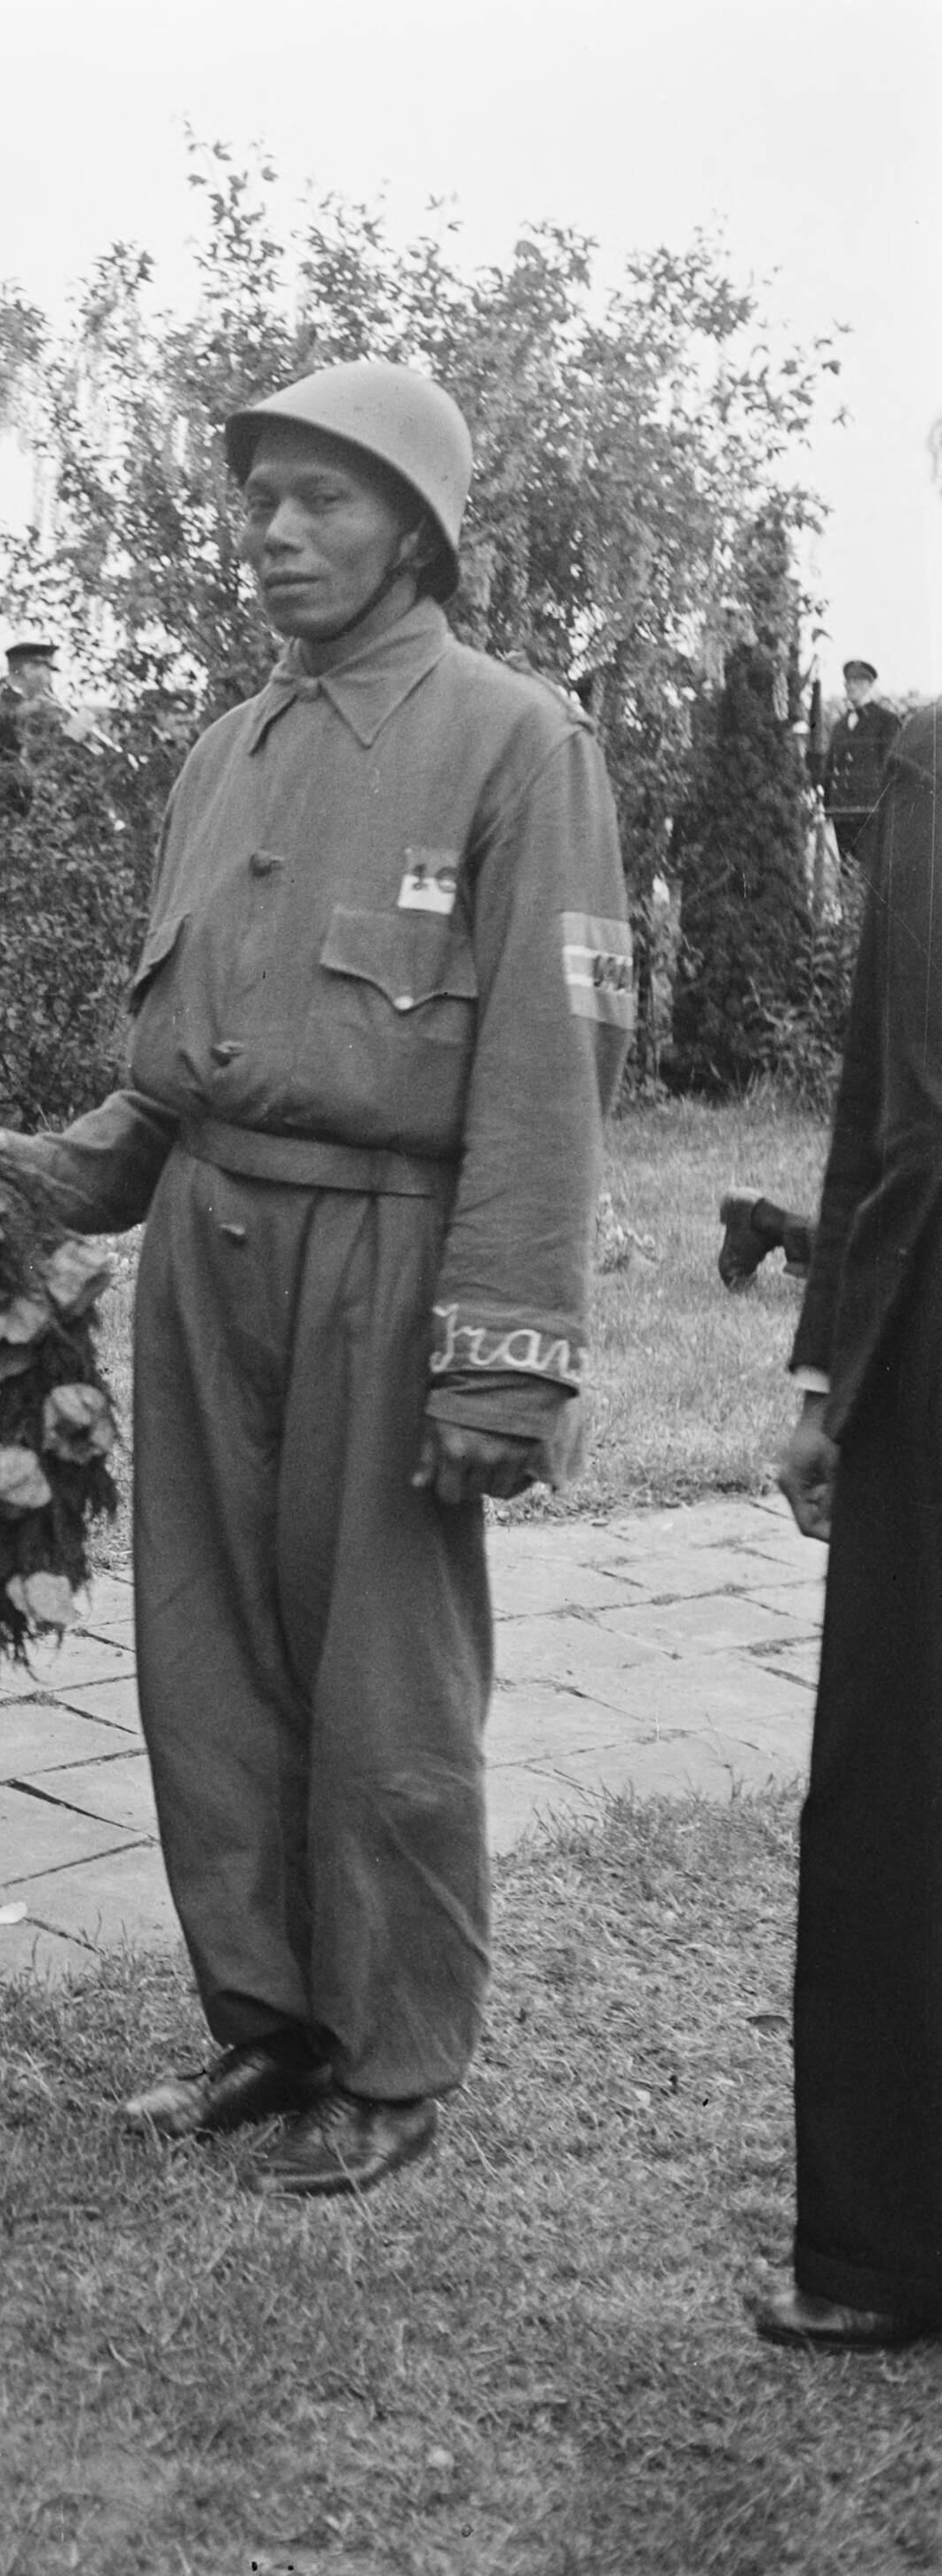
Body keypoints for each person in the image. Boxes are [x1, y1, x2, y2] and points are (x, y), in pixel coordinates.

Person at [0, 360, 633, 2196]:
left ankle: (397, 2050)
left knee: (385, 1679)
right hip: (205, 1247)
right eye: (259, 501)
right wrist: (49, 1173)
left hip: (392, 1251)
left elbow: (547, 1073)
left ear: (416, 530)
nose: (275, 535)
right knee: (206, 1657)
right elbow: (182, 1048)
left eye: (322, 502)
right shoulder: (226, 748)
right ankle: (265, 2019)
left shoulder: (518, 742)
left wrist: (503, 1359)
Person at [756, 698, 942, 2351]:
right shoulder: (935, 754)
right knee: (892, 1786)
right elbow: (881, 1086)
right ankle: (883, 2244)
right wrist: (827, 1372)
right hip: (930, 1339)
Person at [815, 658, 902, 865]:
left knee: (869, 874)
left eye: (857, 682)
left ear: (869, 685)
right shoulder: (839, 726)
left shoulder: (886, 721)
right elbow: (829, 767)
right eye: (848, 682)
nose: (851, 686)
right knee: (846, 873)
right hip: (841, 813)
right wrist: (825, 805)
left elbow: (893, 767)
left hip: (871, 813)